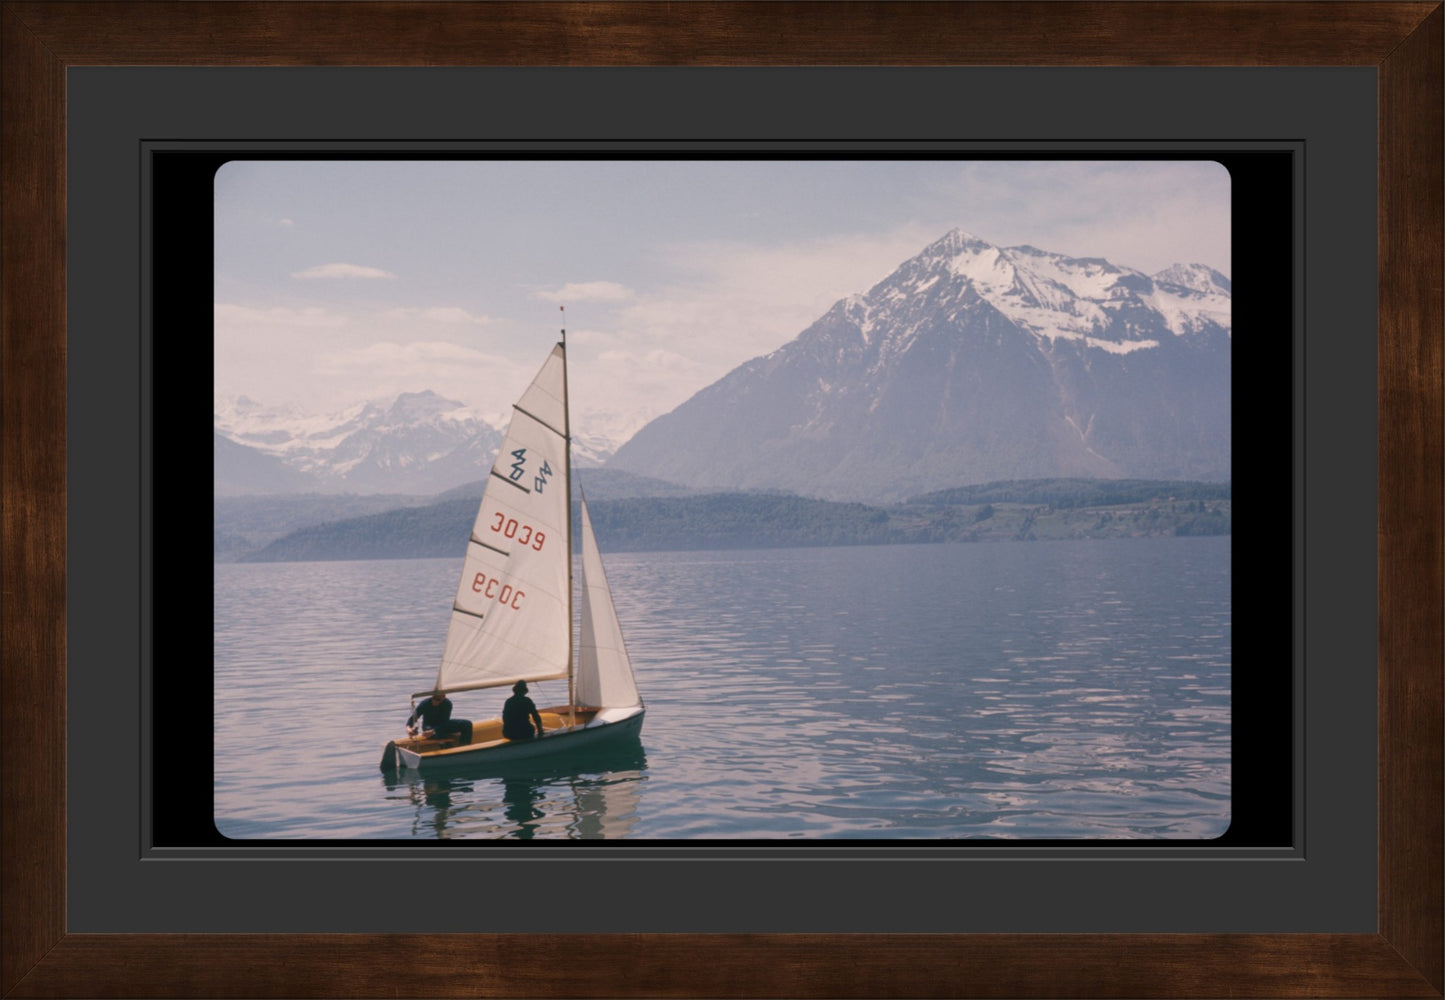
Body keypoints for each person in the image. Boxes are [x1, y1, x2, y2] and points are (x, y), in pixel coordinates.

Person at [406, 691, 473, 746]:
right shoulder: (425, 703)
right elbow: (413, 718)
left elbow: (445, 722)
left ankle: (464, 745)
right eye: (433, 698)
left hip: (442, 724)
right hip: (429, 726)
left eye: (438, 700)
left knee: (467, 724)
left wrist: (434, 731)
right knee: (437, 733)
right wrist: (409, 728)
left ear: (443, 698)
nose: (435, 701)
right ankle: (445, 744)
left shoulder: (447, 704)